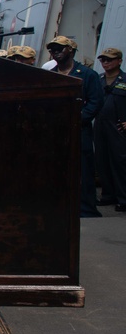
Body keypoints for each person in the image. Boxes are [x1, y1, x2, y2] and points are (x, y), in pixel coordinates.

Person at [47, 36, 104, 218]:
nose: (55, 52)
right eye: (53, 49)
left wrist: (78, 119)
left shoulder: (87, 74)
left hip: (79, 129)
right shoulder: (52, 75)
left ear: (70, 50)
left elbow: (95, 102)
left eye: (60, 49)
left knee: (84, 170)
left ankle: (87, 208)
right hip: (57, 130)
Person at [95, 48, 126, 211]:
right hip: (100, 125)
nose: (106, 63)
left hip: (118, 126)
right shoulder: (98, 80)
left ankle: (123, 198)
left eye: (110, 60)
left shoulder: (125, 80)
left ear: (119, 61)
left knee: (120, 162)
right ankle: (108, 195)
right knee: (102, 161)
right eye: (103, 60)